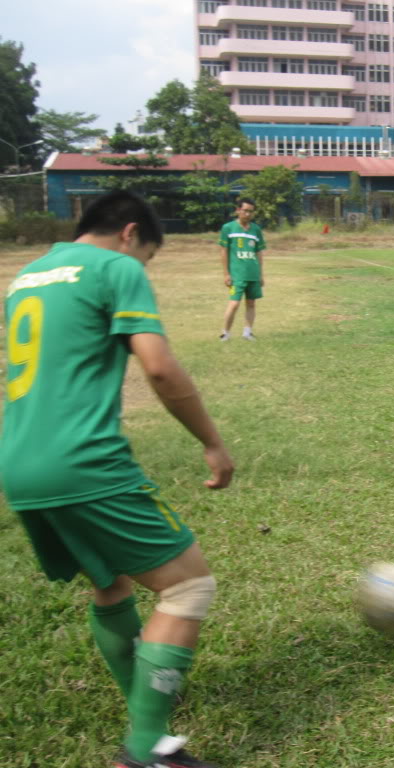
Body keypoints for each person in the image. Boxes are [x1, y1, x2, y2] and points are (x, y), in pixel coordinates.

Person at [0, 191, 234, 768]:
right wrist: (211, 440)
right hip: (84, 461)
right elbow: (158, 366)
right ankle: (146, 745)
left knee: (110, 582)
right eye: (148, 257)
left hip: (19, 462)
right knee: (187, 586)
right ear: (131, 234)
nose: (143, 268)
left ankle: (142, 702)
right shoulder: (116, 267)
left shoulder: (28, 275)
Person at [219, 198, 265, 341]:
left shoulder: (256, 230)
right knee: (234, 304)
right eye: (245, 210)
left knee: (251, 304)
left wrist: (261, 274)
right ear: (238, 210)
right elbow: (223, 252)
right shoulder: (228, 228)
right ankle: (225, 333)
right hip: (237, 275)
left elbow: (259, 253)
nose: (247, 214)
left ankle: (247, 333)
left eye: (250, 211)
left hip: (253, 273)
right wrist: (226, 274)